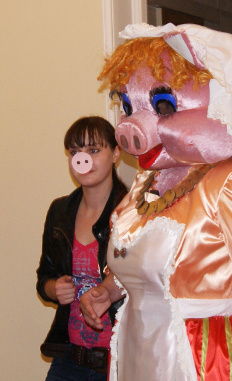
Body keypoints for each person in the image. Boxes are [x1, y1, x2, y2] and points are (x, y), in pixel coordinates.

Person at [79, 23, 232, 381]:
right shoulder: (148, 181)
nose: (132, 126)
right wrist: (108, 290)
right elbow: (144, 263)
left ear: (224, 105)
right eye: (129, 105)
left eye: (163, 105)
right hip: (138, 354)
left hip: (206, 358)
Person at [36, 116, 127, 380]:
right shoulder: (59, 211)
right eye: (75, 152)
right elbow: (44, 276)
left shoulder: (133, 212)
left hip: (118, 360)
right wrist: (54, 288)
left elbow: (147, 280)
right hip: (68, 359)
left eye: (94, 151)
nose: (82, 160)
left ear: (116, 154)